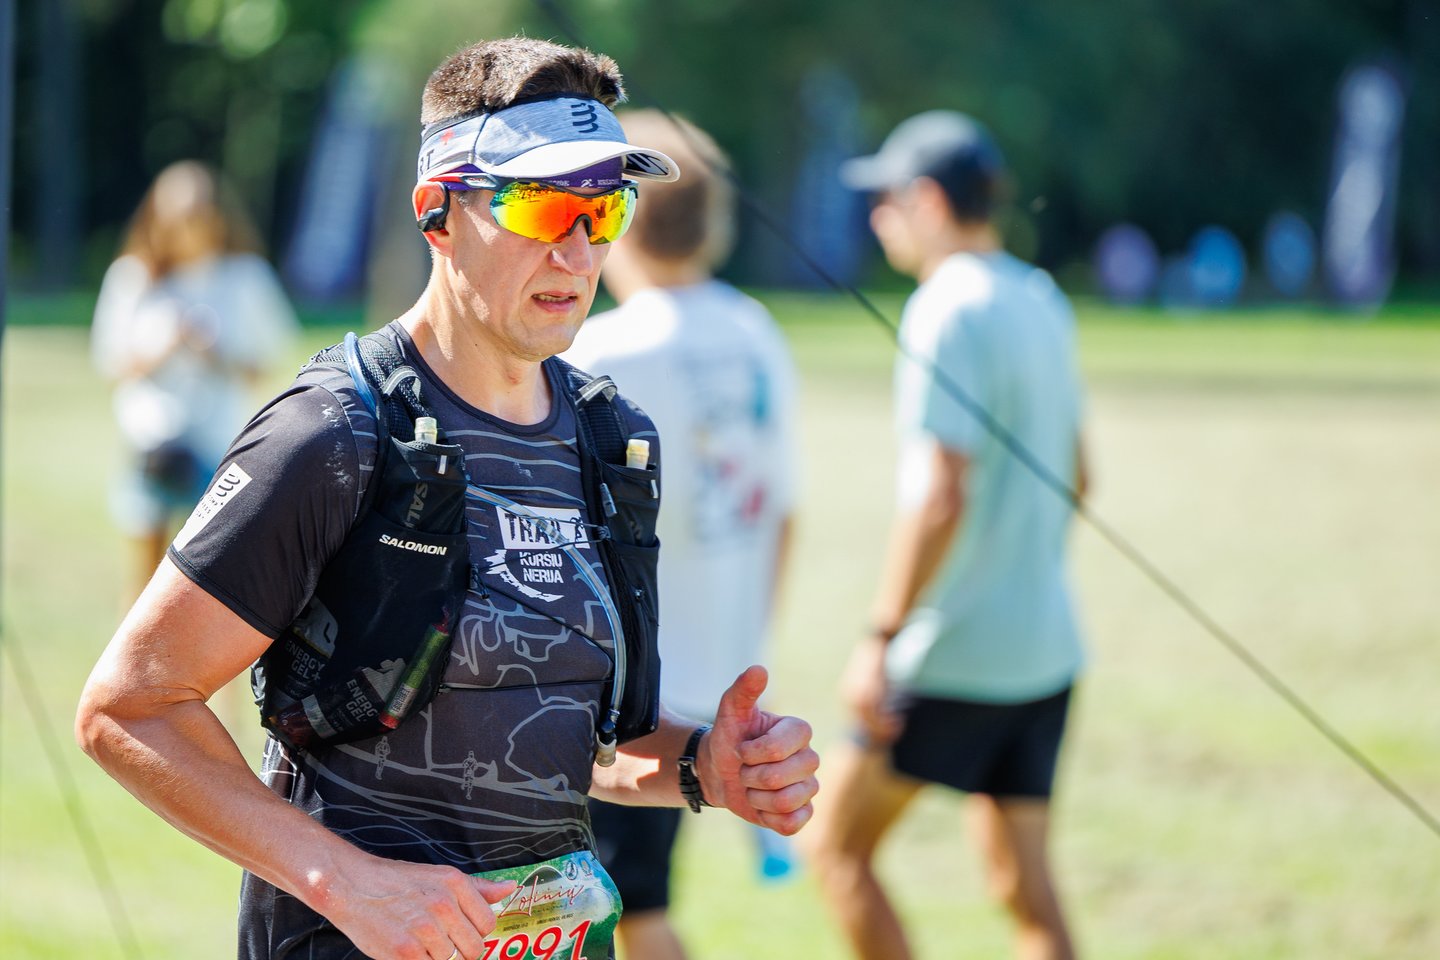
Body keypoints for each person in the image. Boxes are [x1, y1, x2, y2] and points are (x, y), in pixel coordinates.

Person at [75, 37, 818, 960]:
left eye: (604, 209)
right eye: (542, 205)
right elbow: (130, 707)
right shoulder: (333, 432)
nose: (577, 250)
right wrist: (346, 882)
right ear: (437, 212)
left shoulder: (613, 439)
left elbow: (575, 738)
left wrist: (706, 765)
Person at [808, 111, 1088, 960]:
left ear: (928, 202)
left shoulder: (943, 308)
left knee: (836, 851)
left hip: (951, 657)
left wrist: (880, 638)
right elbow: (1081, 476)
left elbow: (939, 497)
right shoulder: (1040, 296)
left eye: (887, 200)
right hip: (1045, 650)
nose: (877, 218)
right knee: (1023, 890)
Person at [562, 111, 800, 960]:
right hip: (720, 676)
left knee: (633, 914)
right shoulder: (755, 330)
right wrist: (748, 636)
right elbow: (785, 511)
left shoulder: (602, 347)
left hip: (634, 698)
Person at [90, 160, 299, 601]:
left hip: (220, 443)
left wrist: (214, 351)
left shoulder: (245, 277)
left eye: (197, 215)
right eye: (177, 217)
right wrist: (163, 347)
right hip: (151, 440)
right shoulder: (134, 277)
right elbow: (111, 363)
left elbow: (266, 362)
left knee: (209, 578)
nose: (187, 227)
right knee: (145, 578)